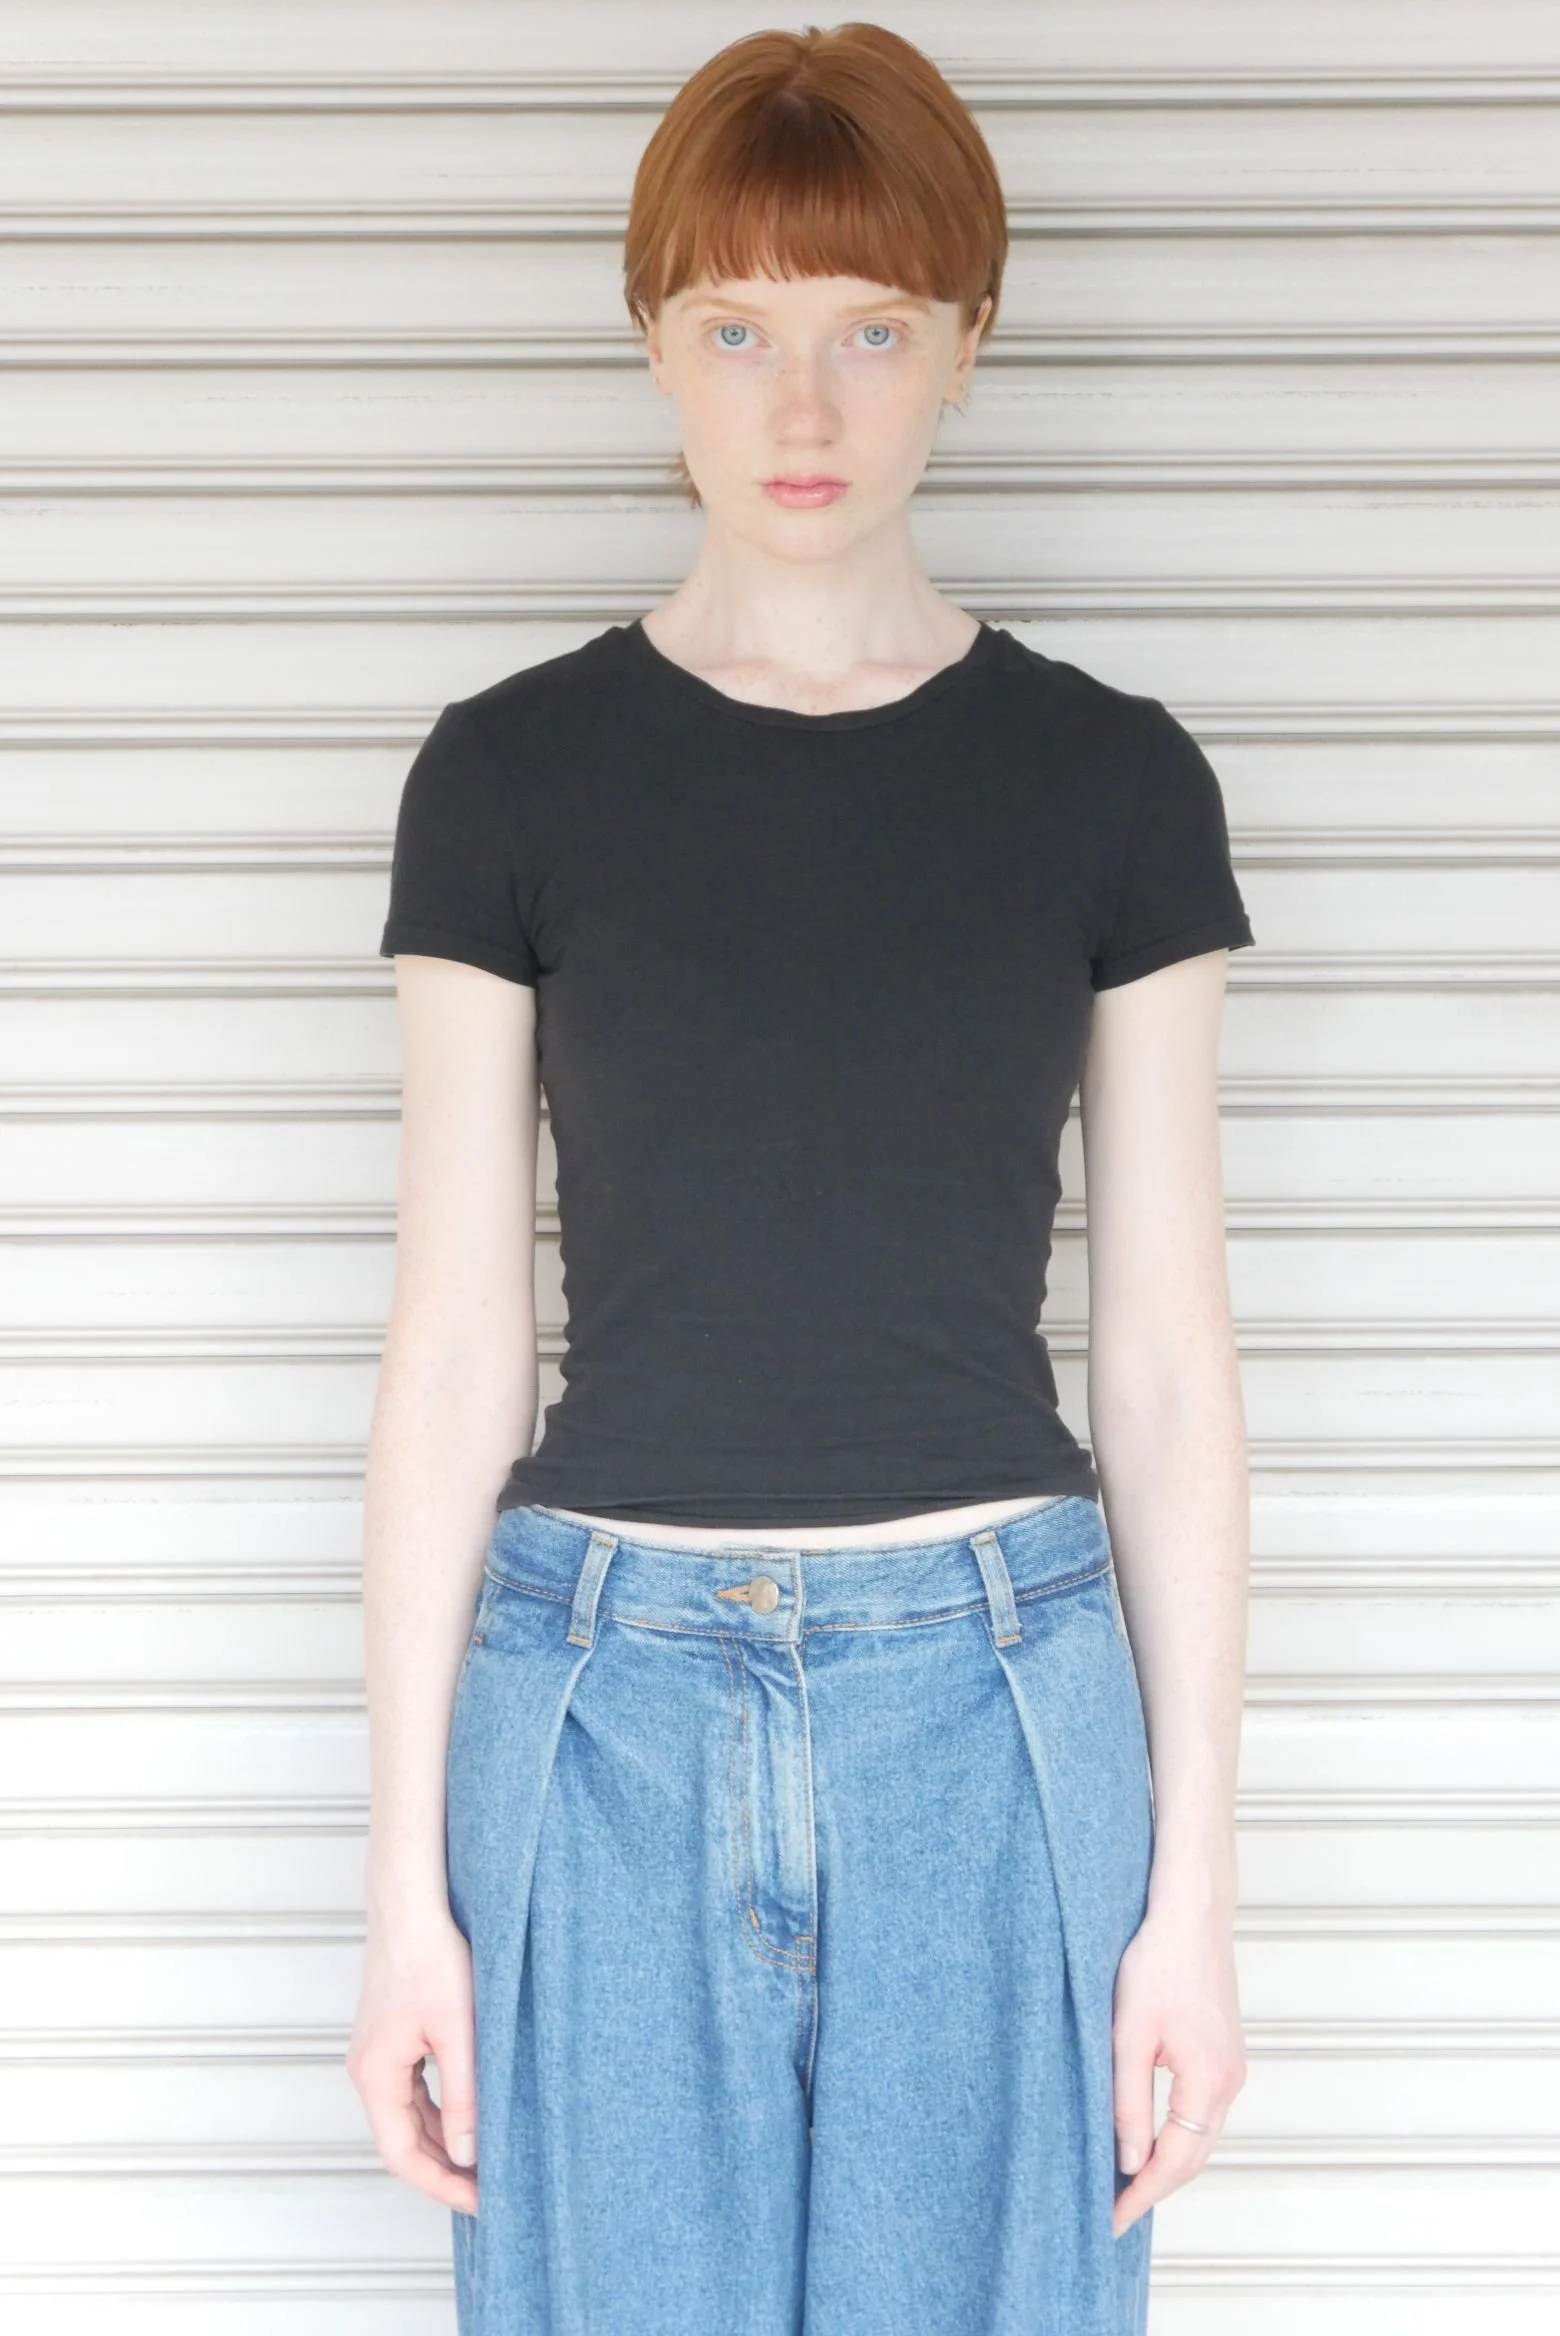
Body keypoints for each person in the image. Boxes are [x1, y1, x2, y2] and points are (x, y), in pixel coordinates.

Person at [348, 22, 1253, 2335]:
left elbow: (1165, 1371)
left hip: (1000, 1704)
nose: (806, 403)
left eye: (873, 326)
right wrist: (400, 1896)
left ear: (969, 336)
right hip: (600, 1707)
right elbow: (453, 1354)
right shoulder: (508, 781)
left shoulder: (1112, 787)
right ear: (653, 339)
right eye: (738, 328)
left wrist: (1194, 1902)